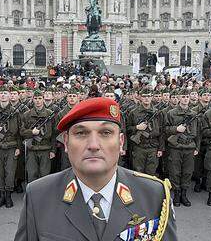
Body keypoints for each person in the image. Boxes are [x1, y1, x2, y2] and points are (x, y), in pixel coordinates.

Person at [14, 97, 177, 241]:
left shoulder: (154, 195)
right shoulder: (38, 196)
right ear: (66, 142)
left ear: (121, 142)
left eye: (105, 133)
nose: (93, 145)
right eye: (81, 133)